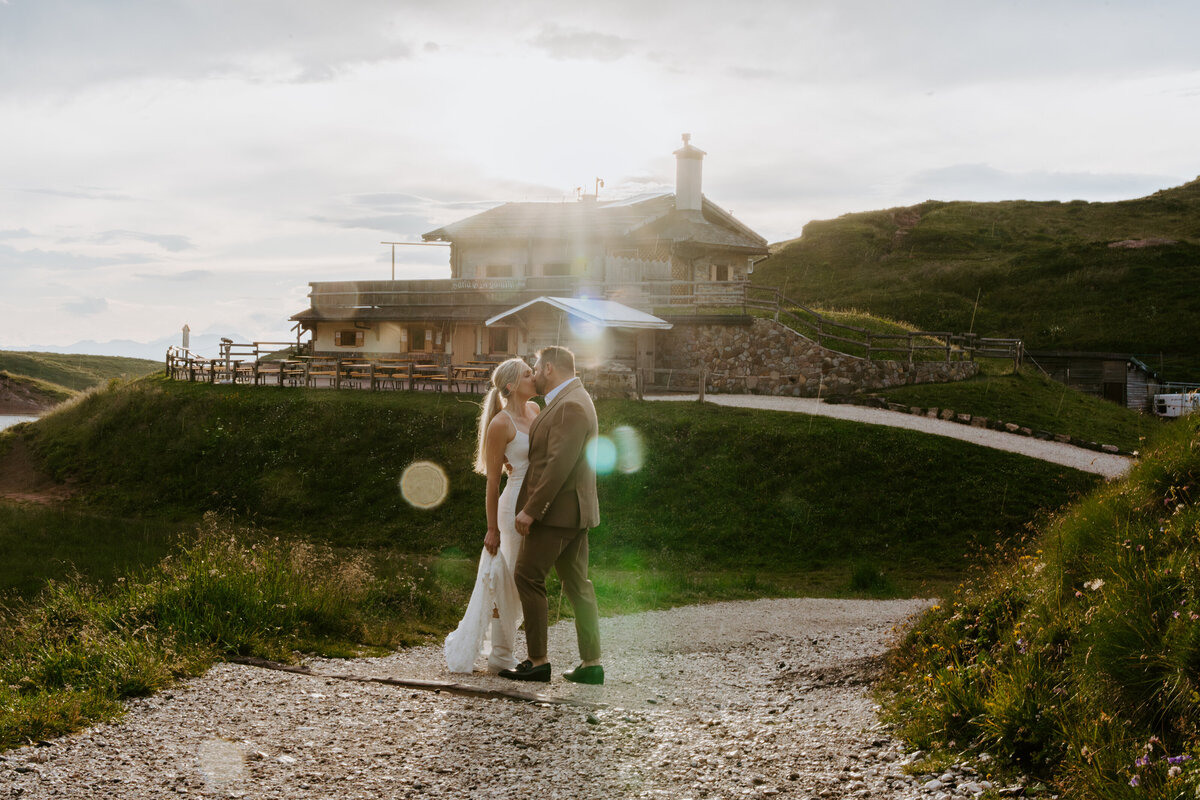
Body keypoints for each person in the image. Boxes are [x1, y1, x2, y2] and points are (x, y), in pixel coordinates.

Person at [499, 346, 604, 685]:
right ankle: (591, 663)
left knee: (528, 576)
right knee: (577, 584)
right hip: (574, 511)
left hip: (558, 513)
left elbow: (559, 465)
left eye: (536, 367)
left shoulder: (570, 405)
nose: (534, 373)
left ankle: (538, 660)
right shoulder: (572, 399)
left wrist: (531, 510)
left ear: (548, 368)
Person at [443, 358, 540, 673]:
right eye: (528, 374)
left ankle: (504, 652)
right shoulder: (501, 424)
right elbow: (493, 482)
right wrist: (492, 529)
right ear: (512, 385)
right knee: (506, 579)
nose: (534, 376)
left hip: (535, 506)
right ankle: (500, 654)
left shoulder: (535, 410)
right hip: (511, 509)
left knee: (525, 579)